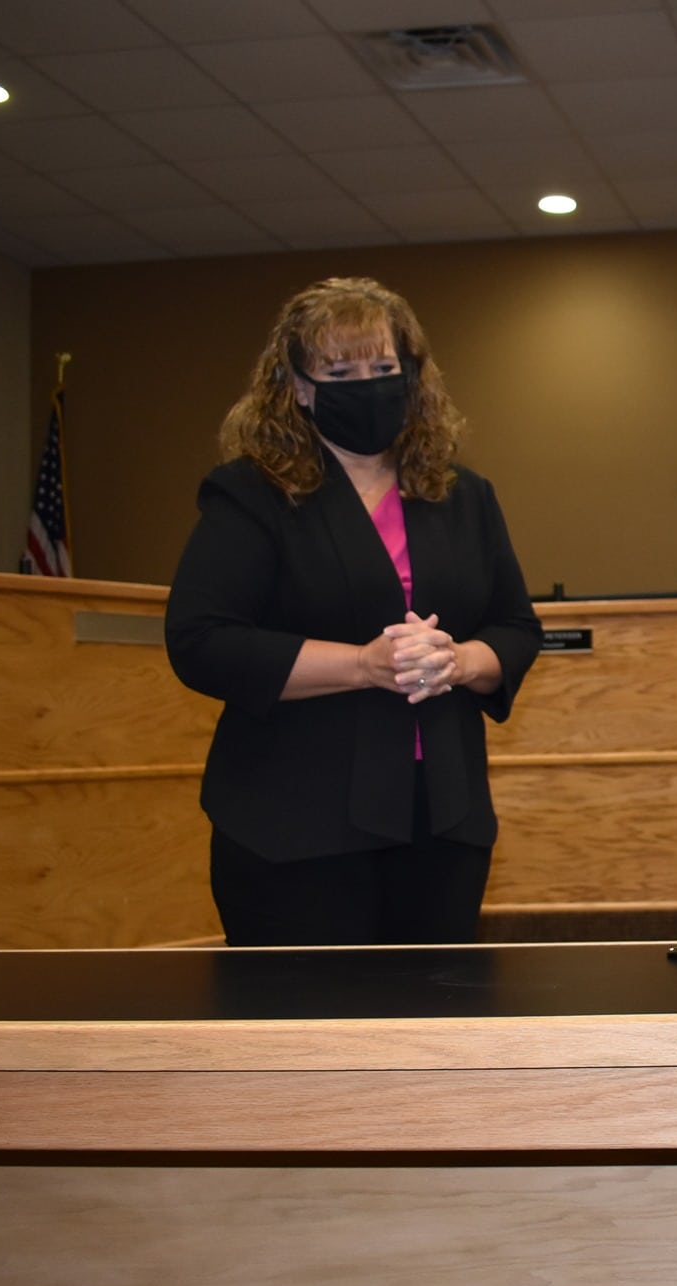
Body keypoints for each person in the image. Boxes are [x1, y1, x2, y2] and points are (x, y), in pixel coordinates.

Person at [166, 277, 541, 946]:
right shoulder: (252, 494)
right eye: (341, 371)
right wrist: (364, 665)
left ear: (411, 376)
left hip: (443, 824)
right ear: (301, 387)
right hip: (294, 824)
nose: (366, 385)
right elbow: (201, 640)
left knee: (432, 1030)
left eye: (382, 368)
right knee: (308, 1037)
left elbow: (514, 627)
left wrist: (458, 662)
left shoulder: (463, 494)